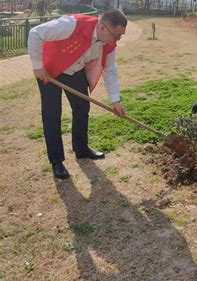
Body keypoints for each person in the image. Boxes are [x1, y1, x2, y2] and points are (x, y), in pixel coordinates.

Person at [28, 9, 127, 180]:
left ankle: (81, 149)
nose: (117, 40)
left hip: (75, 71)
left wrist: (115, 100)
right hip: (50, 70)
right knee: (52, 114)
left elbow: (110, 70)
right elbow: (35, 33)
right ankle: (56, 161)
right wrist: (38, 66)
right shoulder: (71, 25)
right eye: (117, 35)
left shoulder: (109, 44)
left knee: (82, 107)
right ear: (103, 28)